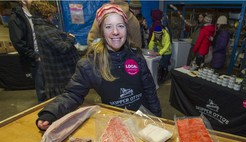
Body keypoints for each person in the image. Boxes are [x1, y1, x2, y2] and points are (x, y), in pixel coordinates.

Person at [36, 3, 161, 131]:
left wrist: (157, 118)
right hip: (117, 125)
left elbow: (149, 90)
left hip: (143, 122)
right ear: (101, 31)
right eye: (108, 27)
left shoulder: (136, 56)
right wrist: (50, 113)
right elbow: (73, 94)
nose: (116, 32)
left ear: (126, 29)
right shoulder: (90, 64)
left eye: (120, 26)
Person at [30, 1, 79, 99]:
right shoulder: (44, 29)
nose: (53, 17)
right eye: (52, 15)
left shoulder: (43, 27)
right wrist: (70, 38)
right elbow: (62, 48)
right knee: (64, 101)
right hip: (59, 76)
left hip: (59, 74)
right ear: (46, 15)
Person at [8, 0, 46, 103]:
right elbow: (18, 42)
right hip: (37, 60)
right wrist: (34, 56)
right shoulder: (16, 19)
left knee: (51, 86)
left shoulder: (36, 15)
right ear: (23, 1)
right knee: (42, 89)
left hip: (46, 56)